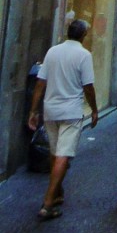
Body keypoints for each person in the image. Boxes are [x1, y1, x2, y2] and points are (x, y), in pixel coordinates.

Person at [28, 18, 98, 221]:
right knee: (63, 155)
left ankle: (57, 192)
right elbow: (89, 86)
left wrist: (33, 110)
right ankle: (48, 202)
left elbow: (40, 83)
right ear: (84, 35)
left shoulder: (53, 51)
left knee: (54, 152)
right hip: (71, 111)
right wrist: (94, 109)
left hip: (51, 109)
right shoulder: (84, 55)